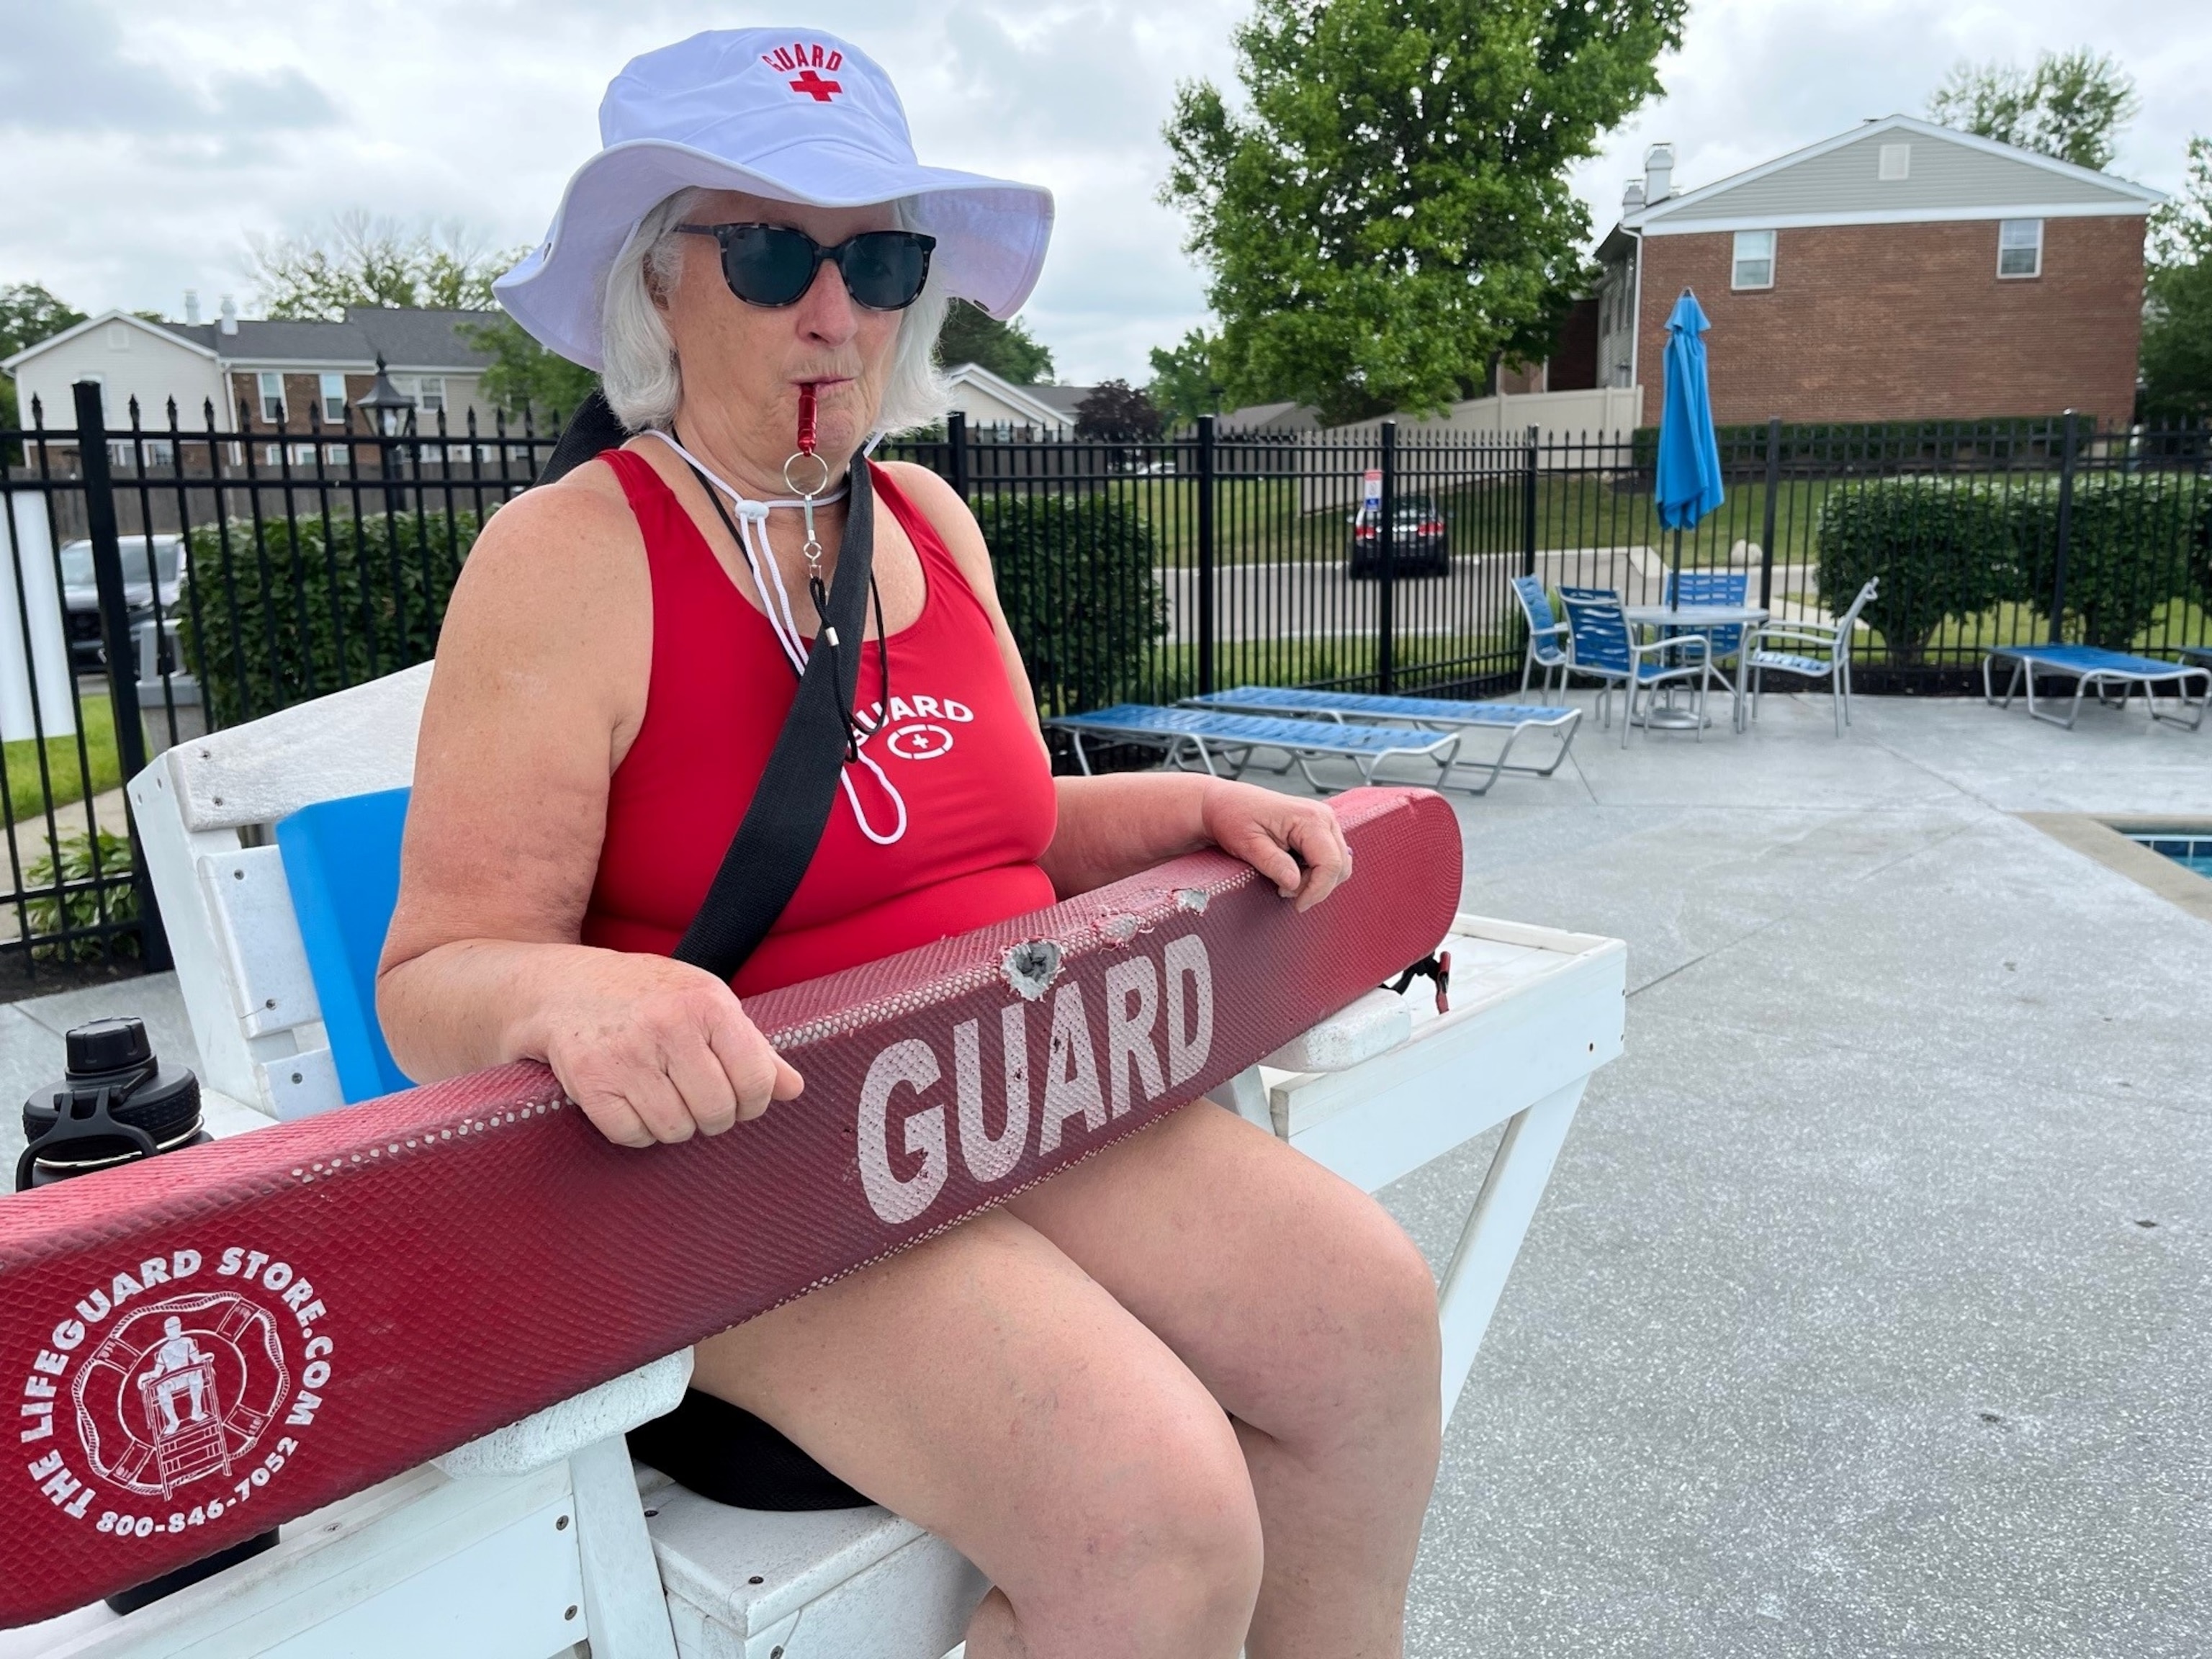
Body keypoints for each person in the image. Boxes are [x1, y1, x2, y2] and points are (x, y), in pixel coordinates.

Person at [377, 30, 1441, 1659]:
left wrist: (1172, 811)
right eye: (770, 254)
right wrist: (567, 999)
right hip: (760, 1169)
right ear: (658, 284)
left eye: (876, 258)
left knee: (1372, 1327)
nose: (835, 312)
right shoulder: (567, 560)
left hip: (1016, 1084)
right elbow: (438, 971)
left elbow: (981, 833)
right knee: (1156, 1515)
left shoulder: (930, 517)